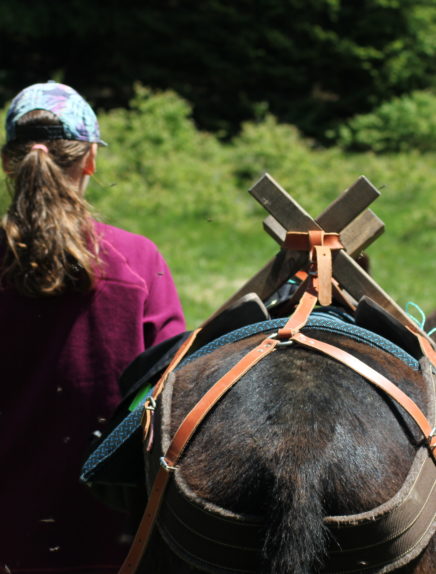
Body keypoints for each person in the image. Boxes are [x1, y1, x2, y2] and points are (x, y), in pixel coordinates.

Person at [0, 82, 186, 573]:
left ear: (8, 164)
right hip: (118, 529)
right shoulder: (137, 260)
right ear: (89, 162)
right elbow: (173, 390)